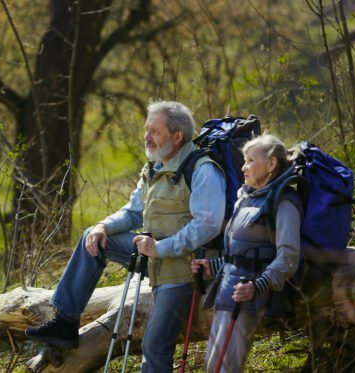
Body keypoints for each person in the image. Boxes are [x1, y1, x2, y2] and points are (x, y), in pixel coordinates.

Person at [25, 100, 226, 372]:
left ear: (177, 137)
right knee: (92, 238)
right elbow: (133, 212)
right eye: (146, 130)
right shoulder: (153, 168)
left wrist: (160, 248)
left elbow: (207, 225)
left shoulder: (202, 169)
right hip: (151, 255)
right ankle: (65, 323)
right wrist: (104, 227)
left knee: (155, 346)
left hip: (183, 270)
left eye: (154, 131)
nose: (147, 137)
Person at [191, 134, 303, 373]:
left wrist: (258, 286)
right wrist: (213, 265)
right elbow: (240, 251)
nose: (243, 167)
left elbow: (289, 256)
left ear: (271, 164)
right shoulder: (246, 197)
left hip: (250, 297)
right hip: (227, 289)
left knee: (226, 368)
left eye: (250, 160)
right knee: (212, 366)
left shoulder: (284, 201)